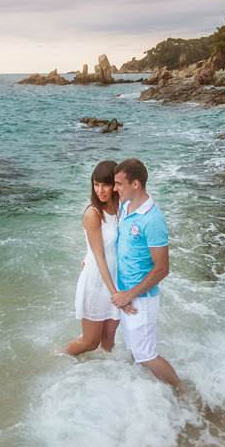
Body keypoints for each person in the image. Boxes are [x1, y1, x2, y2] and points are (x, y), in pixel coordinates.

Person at [110, 158, 184, 390]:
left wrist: (129, 295)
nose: (114, 189)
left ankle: (184, 392)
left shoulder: (153, 220)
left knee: (145, 354)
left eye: (119, 184)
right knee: (136, 351)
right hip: (127, 294)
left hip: (141, 297)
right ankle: (148, 396)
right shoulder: (125, 207)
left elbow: (162, 268)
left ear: (136, 184)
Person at [65, 160, 134, 356]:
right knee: (90, 342)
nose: (100, 190)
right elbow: (100, 256)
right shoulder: (93, 214)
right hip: (98, 279)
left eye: (105, 184)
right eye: (96, 184)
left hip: (118, 276)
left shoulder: (122, 208)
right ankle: (60, 355)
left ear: (115, 185)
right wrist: (116, 296)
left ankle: (107, 372)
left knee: (110, 335)